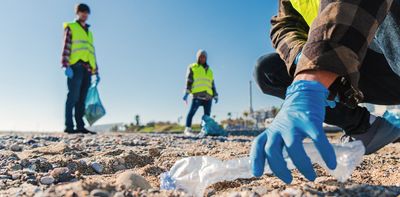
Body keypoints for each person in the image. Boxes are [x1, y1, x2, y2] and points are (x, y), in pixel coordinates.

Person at [250, 0, 400, 184]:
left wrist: (312, 78)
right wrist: (302, 60)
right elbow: (283, 25)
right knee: (268, 71)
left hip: (389, 45)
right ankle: (365, 127)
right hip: (356, 62)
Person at [62, 3, 99, 134]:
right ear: (77, 13)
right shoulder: (71, 27)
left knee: (82, 99)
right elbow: (66, 46)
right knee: (73, 97)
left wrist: (96, 70)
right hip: (75, 67)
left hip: (87, 69)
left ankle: (80, 126)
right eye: (82, 11)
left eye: (86, 12)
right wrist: (65, 65)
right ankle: (69, 126)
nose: (84, 14)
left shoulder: (89, 32)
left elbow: (91, 51)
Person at [183, 50, 219, 136]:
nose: (202, 58)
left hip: (208, 96)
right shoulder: (193, 67)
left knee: (207, 115)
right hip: (197, 95)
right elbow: (189, 80)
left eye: (204, 56)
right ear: (198, 57)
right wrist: (186, 93)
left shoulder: (210, 70)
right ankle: (188, 128)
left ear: (206, 58)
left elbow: (212, 83)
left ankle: (205, 130)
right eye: (201, 56)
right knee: (192, 112)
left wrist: (215, 95)